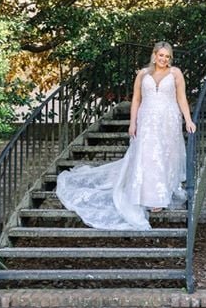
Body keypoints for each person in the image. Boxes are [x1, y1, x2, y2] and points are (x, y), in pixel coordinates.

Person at [56, 41, 196, 230]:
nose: (163, 59)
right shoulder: (142, 74)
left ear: (170, 58)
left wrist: (188, 120)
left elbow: (181, 97)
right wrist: (132, 122)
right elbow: (136, 99)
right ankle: (146, 195)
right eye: (160, 55)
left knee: (165, 156)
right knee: (146, 157)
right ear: (154, 55)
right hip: (146, 118)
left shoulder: (175, 73)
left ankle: (159, 196)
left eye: (167, 56)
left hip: (168, 119)